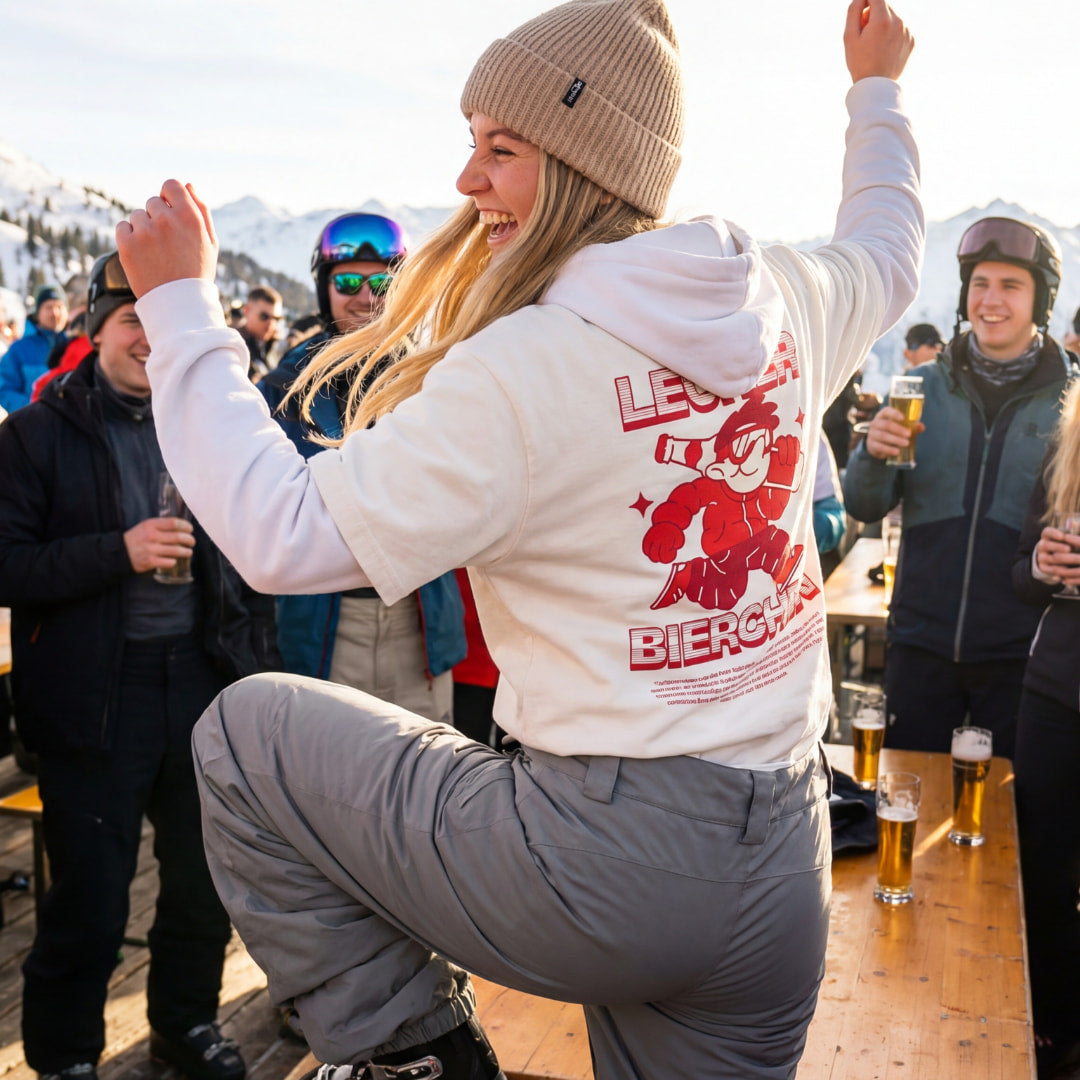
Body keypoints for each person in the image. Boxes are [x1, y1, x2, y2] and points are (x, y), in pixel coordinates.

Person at [115, 1, 920, 1077]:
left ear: (589, 163)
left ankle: (421, 1058)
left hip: (608, 864)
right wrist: (878, 89)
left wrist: (180, 312)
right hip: (782, 860)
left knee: (248, 738)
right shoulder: (782, 296)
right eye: (471, 142)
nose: (467, 179)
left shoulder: (526, 366)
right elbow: (888, 245)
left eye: (501, 148)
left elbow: (281, 534)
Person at [0, 252, 281, 1080]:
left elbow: (257, 557)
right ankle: (64, 1057)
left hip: (199, 681)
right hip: (93, 693)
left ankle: (183, 1025)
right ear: (97, 328)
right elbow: (6, 566)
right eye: (132, 321)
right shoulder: (35, 435)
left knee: (201, 882)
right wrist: (116, 552)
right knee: (89, 897)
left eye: (163, 323)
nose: (150, 341)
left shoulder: (209, 430)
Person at [843, 216, 1078, 761]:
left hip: (1020, 655)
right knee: (909, 794)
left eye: (1010, 285)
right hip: (919, 645)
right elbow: (865, 504)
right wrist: (872, 454)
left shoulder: (1070, 405)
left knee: (1011, 809)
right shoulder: (921, 387)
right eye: (980, 283)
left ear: (1041, 301)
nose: (990, 300)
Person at [258, 213, 466, 724]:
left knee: (427, 768)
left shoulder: (434, 375)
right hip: (325, 623)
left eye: (384, 283)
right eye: (348, 281)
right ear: (324, 288)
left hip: (421, 621)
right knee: (323, 766)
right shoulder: (286, 388)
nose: (366, 296)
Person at [1012, 384, 1080, 1079]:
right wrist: (1039, 565)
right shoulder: (1070, 439)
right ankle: (1053, 1029)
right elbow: (1020, 573)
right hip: (1055, 690)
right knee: (1040, 874)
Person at [0, 284, 68, 412]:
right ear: (38, 313)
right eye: (48, 307)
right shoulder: (19, 349)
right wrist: (34, 408)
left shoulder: (78, 344)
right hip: (32, 421)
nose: (55, 313)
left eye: (59, 306)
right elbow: (4, 390)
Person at [237, 285, 283, 380]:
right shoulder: (235, 346)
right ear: (247, 311)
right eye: (264, 316)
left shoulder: (272, 348)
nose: (271, 323)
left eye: (276, 319)